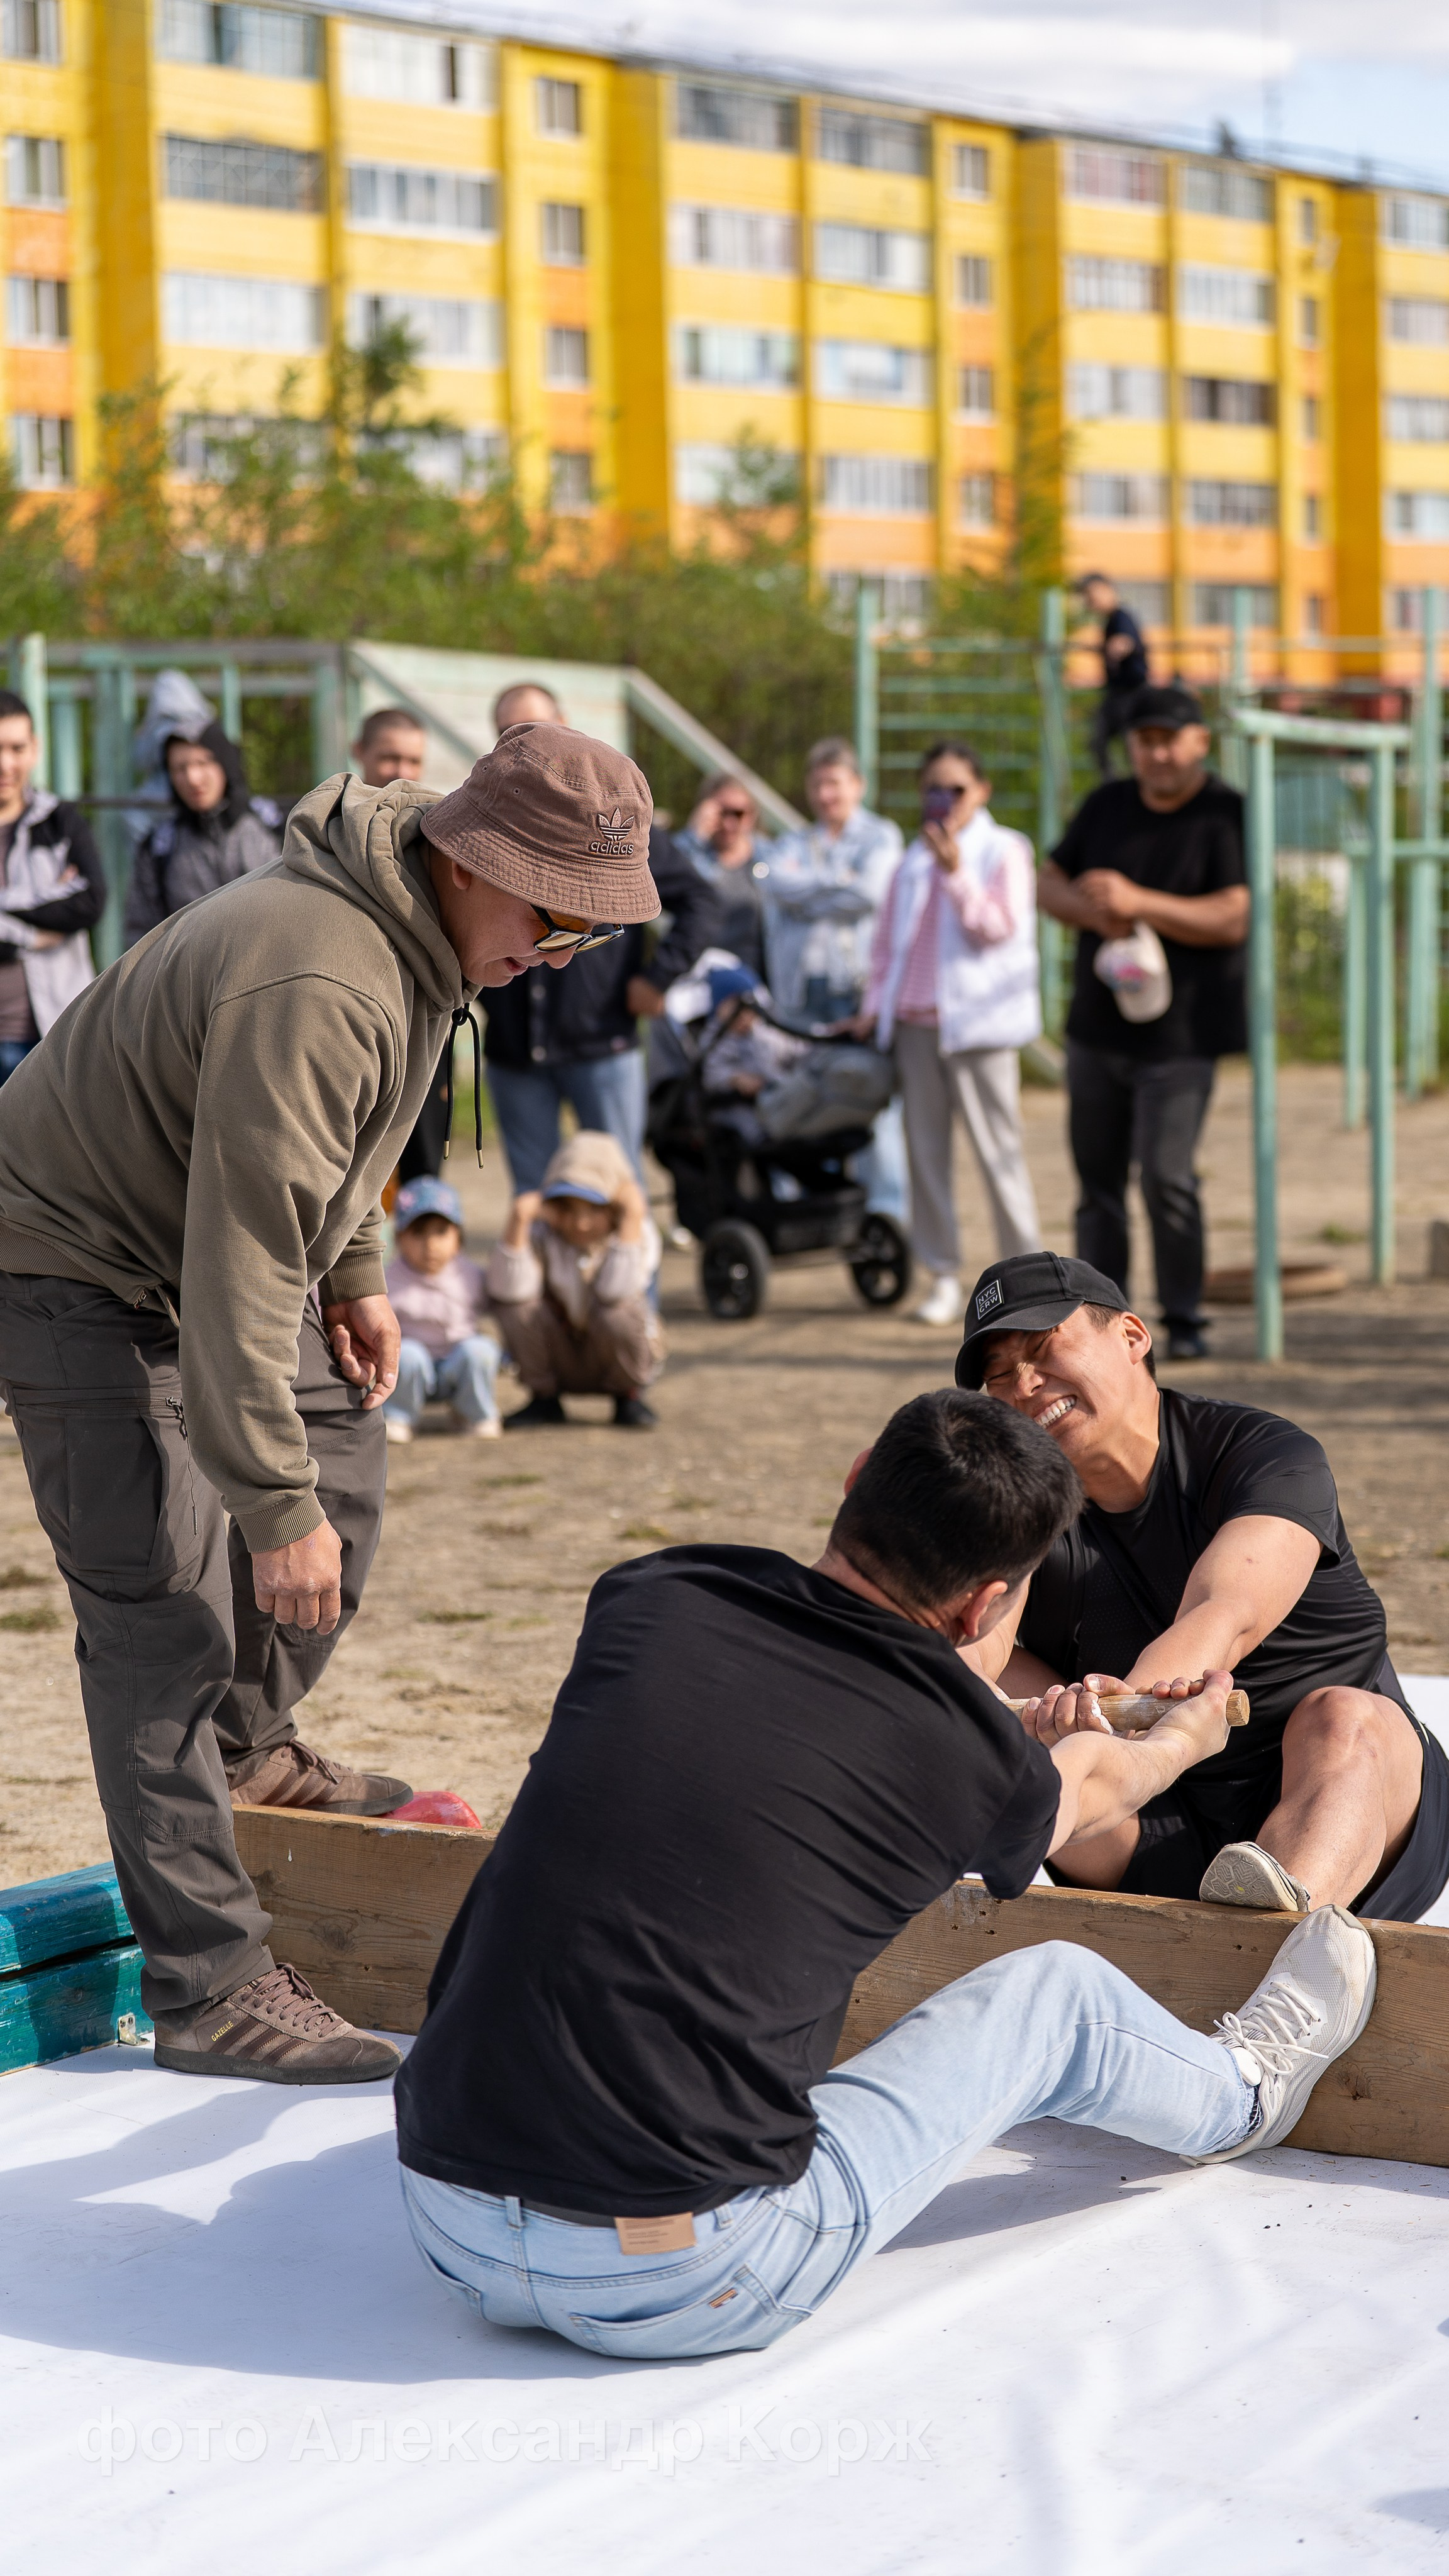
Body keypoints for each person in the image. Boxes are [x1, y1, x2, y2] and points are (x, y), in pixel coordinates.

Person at [392, 1385, 1376, 2363]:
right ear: (986, 1603)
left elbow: (799, 1723)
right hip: (686, 2276)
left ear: (857, 1479)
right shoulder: (961, 1754)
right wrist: (1181, 1735)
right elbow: (1094, 1787)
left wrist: (984, 1728)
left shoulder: (655, 1593)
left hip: (444, 2221)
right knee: (1060, 1994)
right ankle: (1245, 2094)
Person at [0, 720, 659, 2082]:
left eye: (586, 938)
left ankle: (246, 1743)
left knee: (347, 1436)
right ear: (474, 861)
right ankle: (208, 1985)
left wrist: (356, 1269)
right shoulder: (323, 969)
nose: (555, 955)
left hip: (190, 1242)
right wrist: (269, 1499)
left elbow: (322, 1161)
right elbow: (239, 1254)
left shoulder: (424, 929)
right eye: (552, 917)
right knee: (160, 1608)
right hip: (67, 1255)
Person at [957, 1250, 1449, 1920]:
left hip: (1343, 1802)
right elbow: (966, 1656)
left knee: (1343, 1716)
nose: (1024, 1386)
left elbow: (1224, 1615)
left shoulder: (1265, 1455)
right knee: (972, 1694)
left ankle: (1271, 1966)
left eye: (1043, 1350)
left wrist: (1114, 1726)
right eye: (999, 1378)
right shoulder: (1015, 1510)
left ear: (1132, 1336)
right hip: (1150, 1831)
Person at [1038, 684, 1248, 1363]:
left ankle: (1183, 1316)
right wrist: (1088, 908)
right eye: (1144, 740)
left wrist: (1140, 902)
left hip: (1184, 1037)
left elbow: (1233, 916)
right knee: (1097, 1188)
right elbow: (1047, 880)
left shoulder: (1226, 813)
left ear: (1199, 742)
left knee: (1166, 1177)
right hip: (1097, 1031)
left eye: (1168, 738)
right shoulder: (1106, 804)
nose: (1155, 753)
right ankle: (1105, 1326)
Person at [480, 699, 718, 1190]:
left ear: (566, 727)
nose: (525, 742)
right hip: (515, 1052)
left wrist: (658, 977)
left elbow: (700, 899)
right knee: (536, 1203)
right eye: (510, 731)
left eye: (536, 727)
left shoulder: (611, 816)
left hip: (602, 1043)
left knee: (619, 1197)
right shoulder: (486, 815)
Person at [857, 740, 1041, 1330]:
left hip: (981, 1029)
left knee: (999, 1154)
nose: (945, 800)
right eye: (934, 788)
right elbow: (886, 944)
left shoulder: (1004, 849)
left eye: (957, 788)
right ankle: (942, 1276)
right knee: (926, 1156)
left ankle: (1031, 1281)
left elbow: (998, 928)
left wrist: (957, 873)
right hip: (916, 1024)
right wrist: (872, 1007)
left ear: (981, 791)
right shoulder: (911, 858)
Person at [487, 1130, 662, 1430]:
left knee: (618, 1314)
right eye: (568, 1208)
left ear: (615, 1206)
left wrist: (632, 1218)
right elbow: (511, 1290)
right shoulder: (544, 1234)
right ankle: (544, 1398)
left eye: (594, 1209)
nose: (580, 1223)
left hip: (610, 1356)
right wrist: (520, 1219)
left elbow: (614, 1291)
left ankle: (628, 1396)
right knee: (516, 1308)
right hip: (562, 1354)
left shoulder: (636, 1234)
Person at [0, 689, 104, 1077]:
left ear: (35, 749)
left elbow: (91, 902)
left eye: (16, 748)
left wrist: (5, 908)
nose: (5, 763)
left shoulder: (61, 821)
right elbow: (65, 908)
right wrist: (37, 926)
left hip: (56, 1036)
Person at [123, 719, 282, 945]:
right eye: (179, 768)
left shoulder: (274, 826)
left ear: (225, 764)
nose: (192, 778)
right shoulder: (159, 847)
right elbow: (141, 936)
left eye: (203, 762)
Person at [382, 1175, 501, 1445]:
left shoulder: (468, 1274)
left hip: (457, 1363)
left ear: (459, 1236)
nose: (430, 1245)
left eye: (441, 1232)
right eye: (418, 1233)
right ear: (399, 1237)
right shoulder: (388, 1279)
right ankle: (399, 1415)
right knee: (407, 1354)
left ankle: (474, 1413)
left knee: (480, 1350)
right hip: (413, 1368)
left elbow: (495, 1306)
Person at [677, 773, 772, 980]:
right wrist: (695, 837)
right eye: (722, 812)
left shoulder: (771, 858)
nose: (729, 823)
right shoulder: (690, 853)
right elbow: (668, 881)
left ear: (752, 815)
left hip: (757, 983)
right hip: (699, 981)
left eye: (738, 813)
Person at [1077, 573, 1150, 779]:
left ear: (1107, 589)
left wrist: (1114, 648)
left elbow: (1124, 642)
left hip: (1130, 694)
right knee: (1101, 742)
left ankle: (1131, 787)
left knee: (1128, 746)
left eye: (1092, 594)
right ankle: (1118, 786)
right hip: (1119, 694)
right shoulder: (1111, 620)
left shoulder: (1121, 616)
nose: (1090, 601)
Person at [353, 706, 427, 789]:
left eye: (414, 762)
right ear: (359, 751)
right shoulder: (339, 799)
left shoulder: (435, 800)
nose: (403, 774)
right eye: (391, 759)